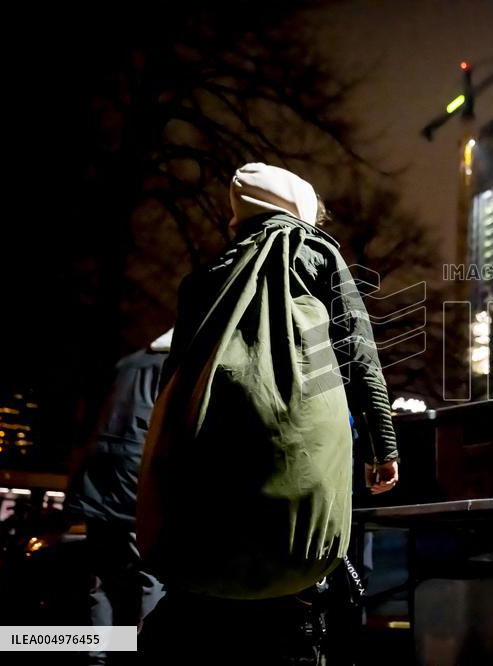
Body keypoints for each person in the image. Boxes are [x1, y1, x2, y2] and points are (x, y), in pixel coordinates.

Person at [137, 163, 398, 661]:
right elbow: (357, 353)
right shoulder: (318, 254)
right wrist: (380, 445)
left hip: (206, 474)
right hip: (295, 479)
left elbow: (175, 379)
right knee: (288, 611)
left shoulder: (205, 278)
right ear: (297, 206)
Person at [67, 329, 172, 665]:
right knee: (151, 576)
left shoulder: (126, 363)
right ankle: (140, 654)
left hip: (97, 479)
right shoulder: (174, 366)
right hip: (135, 480)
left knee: (101, 579)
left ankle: (95, 656)